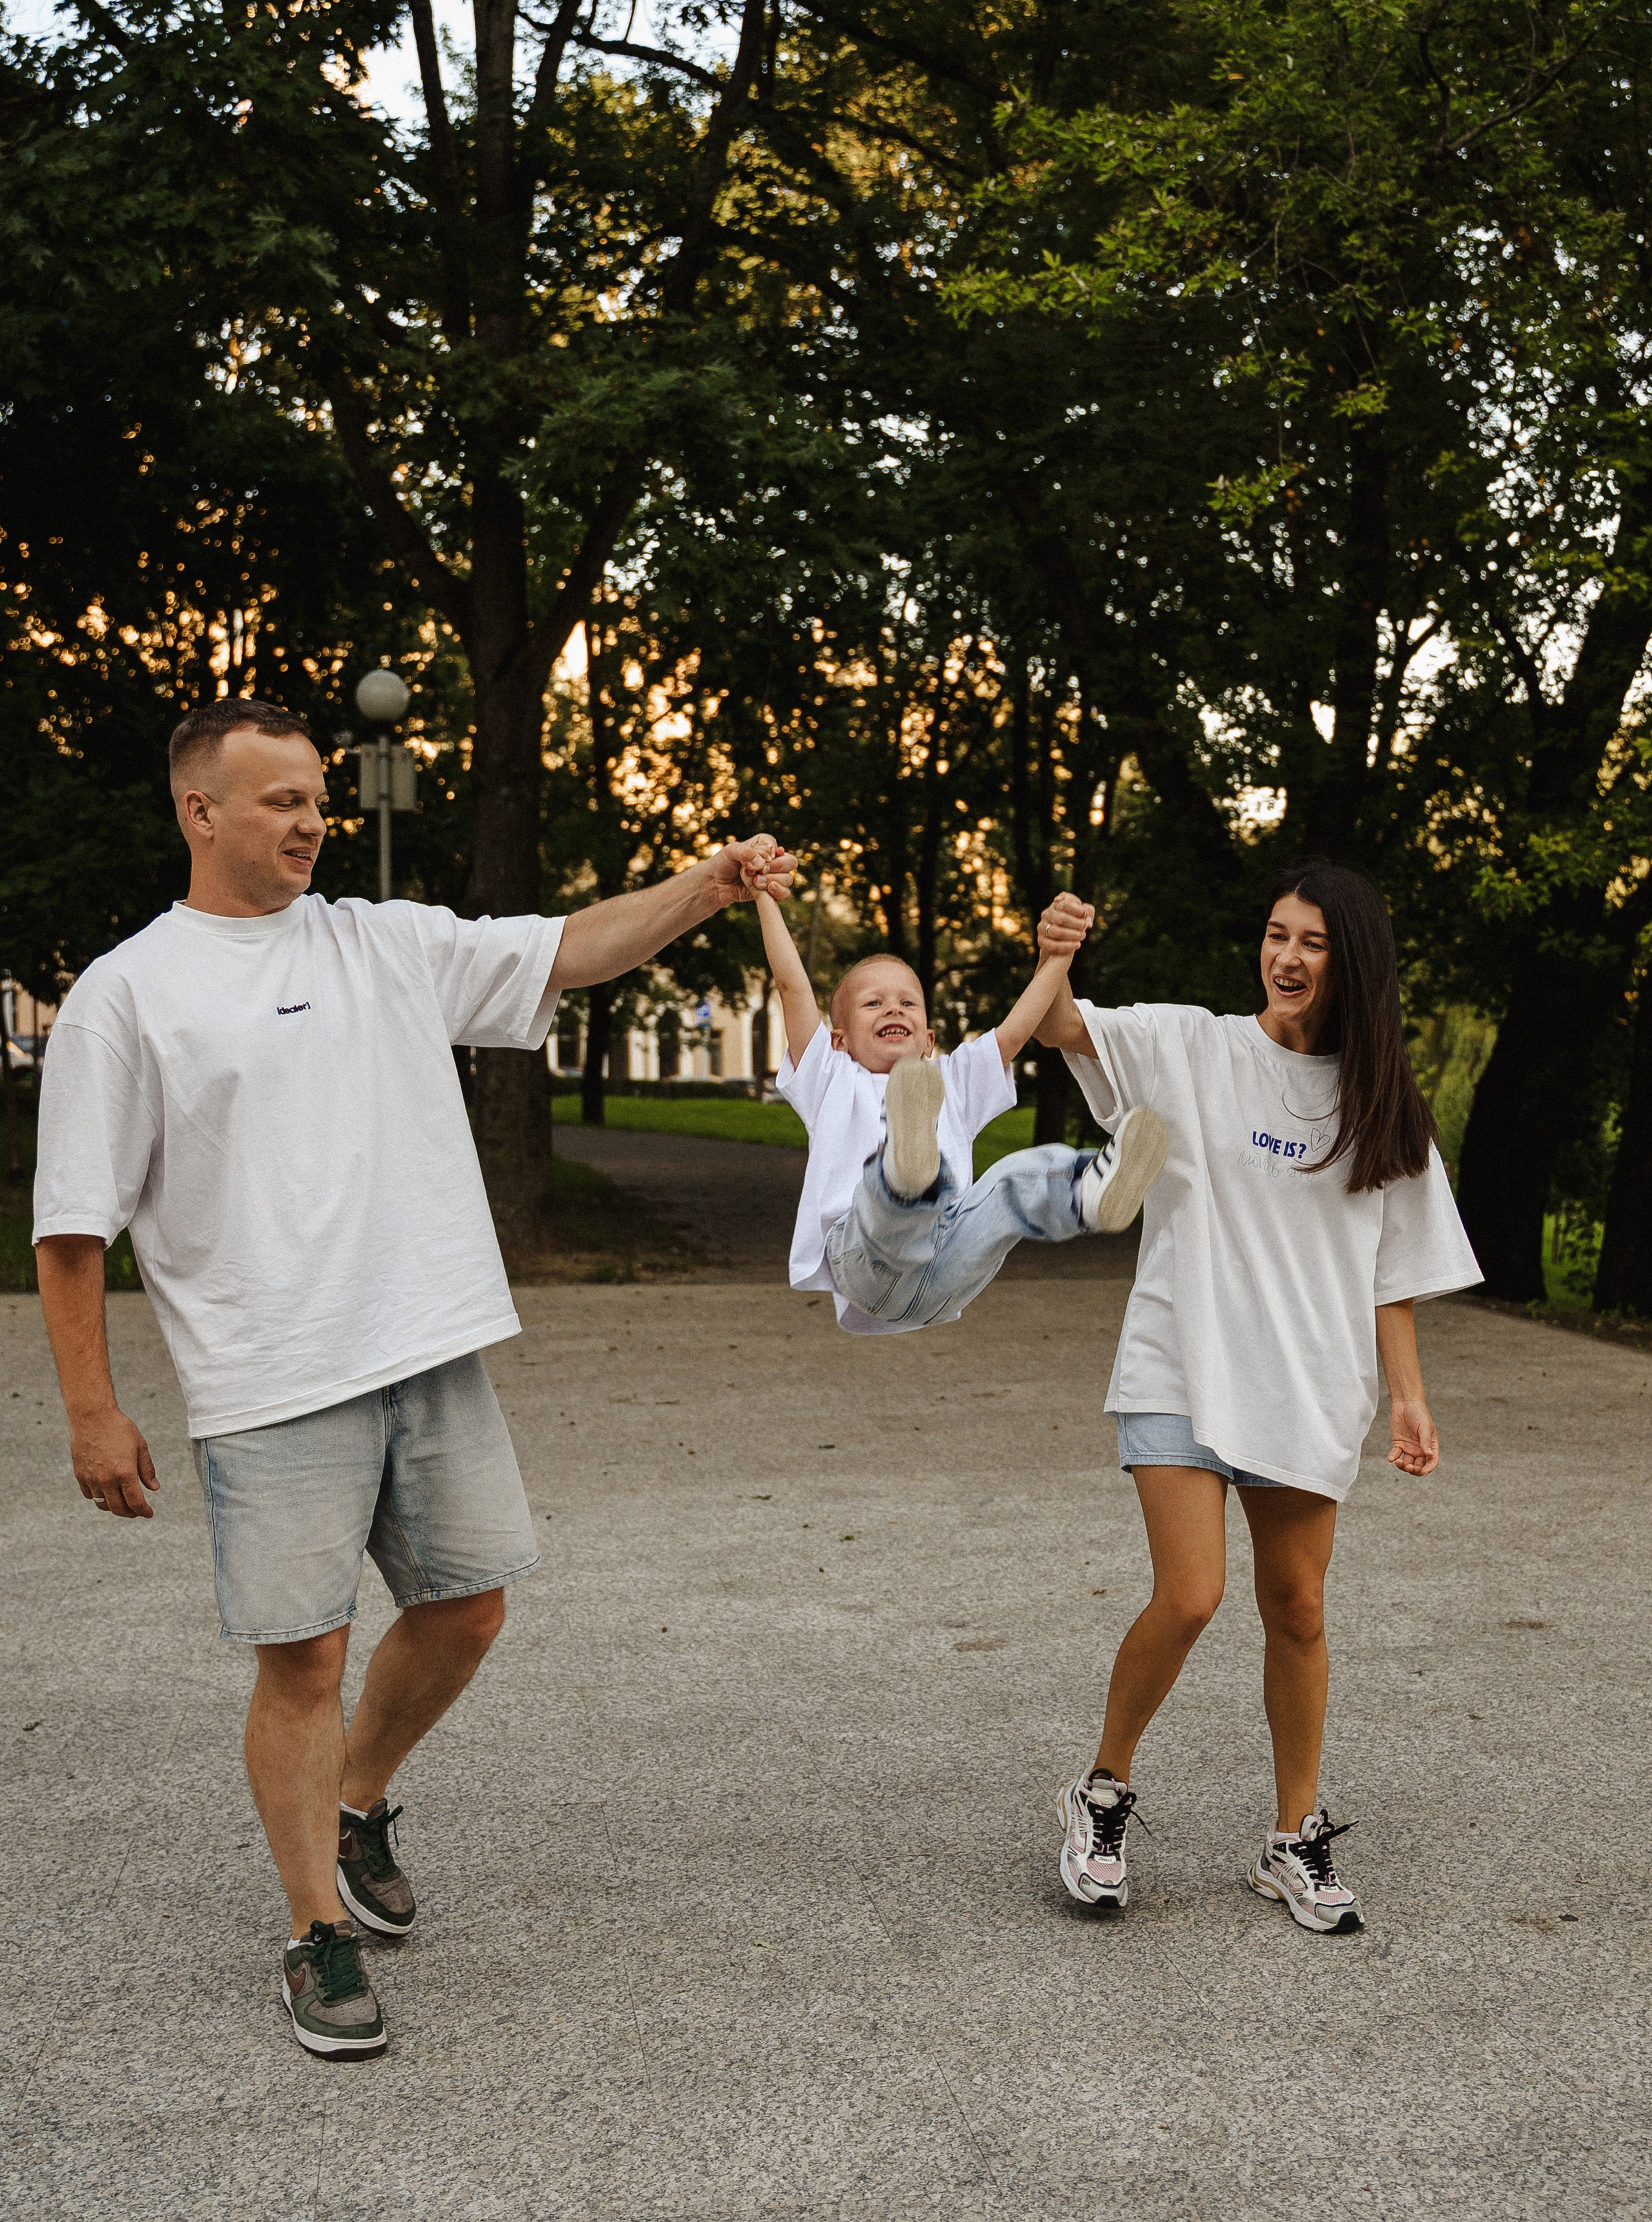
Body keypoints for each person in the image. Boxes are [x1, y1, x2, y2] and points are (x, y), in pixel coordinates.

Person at [33, 695, 794, 2061]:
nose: (312, 817)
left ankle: (357, 1795)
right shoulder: (126, 995)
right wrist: (92, 1409)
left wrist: (706, 884)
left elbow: (570, 947)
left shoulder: (385, 942)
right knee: (304, 1658)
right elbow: (73, 1226)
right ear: (199, 811)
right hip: (270, 1379)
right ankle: (312, 1929)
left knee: (470, 1610)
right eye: (280, 799)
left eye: (319, 795)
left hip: (422, 1344)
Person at [1034, 860, 1481, 1934]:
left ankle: (1293, 1839)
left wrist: (1410, 1398)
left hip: (1309, 1385)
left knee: (1300, 1608)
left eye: (1312, 943)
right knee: (1192, 1594)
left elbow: (1393, 1272)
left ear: (1352, 965)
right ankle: (1101, 1793)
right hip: (1180, 1362)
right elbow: (1062, 1029)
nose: (1286, 956)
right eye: (1277, 934)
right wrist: (1053, 957)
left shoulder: (1384, 1106)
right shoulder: (1195, 1046)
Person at [755, 884, 1168, 1335]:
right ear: (839, 1039)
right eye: (873, 1003)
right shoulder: (830, 1078)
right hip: (867, 1263)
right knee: (886, 1199)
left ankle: (1085, 1192)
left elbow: (1017, 1028)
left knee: (1011, 1184)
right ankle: (905, 1178)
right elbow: (792, 986)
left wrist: (1060, 951)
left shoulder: (953, 1078)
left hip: (946, 1266)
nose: (894, 1007)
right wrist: (763, 896)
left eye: (908, 1003)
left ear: (929, 1041)